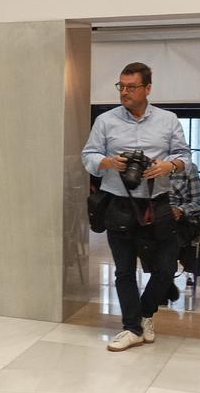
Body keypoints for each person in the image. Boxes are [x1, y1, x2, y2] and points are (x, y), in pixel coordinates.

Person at [82, 62, 191, 352]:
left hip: (158, 203)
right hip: (118, 202)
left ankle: (145, 314)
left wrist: (169, 164)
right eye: (121, 86)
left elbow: (186, 157)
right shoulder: (106, 121)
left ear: (147, 89)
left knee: (167, 267)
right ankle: (131, 327)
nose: (125, 92)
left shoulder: (168, 120)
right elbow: (88, 155)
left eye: (131, 87)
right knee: (124, 270)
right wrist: (107, 162)